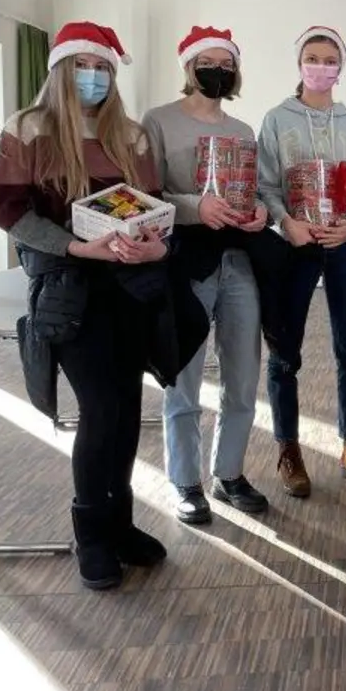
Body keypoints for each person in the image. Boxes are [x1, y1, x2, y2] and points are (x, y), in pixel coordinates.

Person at [0, 21, 208, 590]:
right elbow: (9, 211)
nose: (95, 79)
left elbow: (152, 207)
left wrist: (155, 242)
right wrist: (75, 245)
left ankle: (121, 523)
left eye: (105, 69)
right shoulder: (28, 130)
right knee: (100, 411)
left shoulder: (130, 137)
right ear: (62, 69)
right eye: (85, 67)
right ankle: (90, 532)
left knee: (128, 412)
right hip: (70, 292)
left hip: (131, 289)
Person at [143, 26, 273, 524]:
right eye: (208, 61)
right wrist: (196, 206)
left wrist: (259, 211)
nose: (217, 70)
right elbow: (146, 195)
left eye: (226, 63)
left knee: (242, 376)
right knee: (184, 379)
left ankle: (229, 472)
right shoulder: (158, 122)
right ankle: (185, 481)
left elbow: (254, 192)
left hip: (238, 259)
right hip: (183, 260)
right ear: (189, 67)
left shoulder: (241, 132)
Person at [255, 25, 346, 496]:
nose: (321, 66)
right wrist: (287, 223)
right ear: (299, 63)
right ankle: (288, 447)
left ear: (340, 68)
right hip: (296, 245)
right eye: (313, 57)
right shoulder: (276, 120)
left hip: (345, 246)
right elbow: (266, 186)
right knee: (285, 350)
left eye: (329, 59)